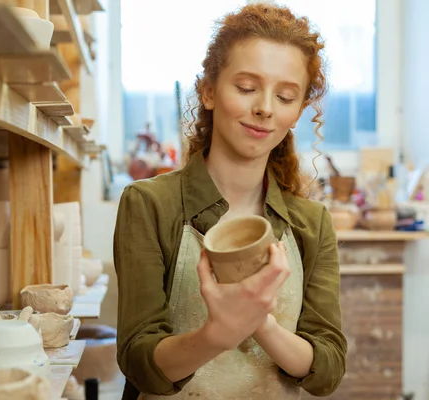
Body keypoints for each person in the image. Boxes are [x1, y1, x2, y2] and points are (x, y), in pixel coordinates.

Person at [113, 3, 347, 400]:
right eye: (246, 87)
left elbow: (327, 370)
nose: (265, 108)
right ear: (208, 91)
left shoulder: (312, 222)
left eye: (286, 96)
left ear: (299, 111)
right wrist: (217, 334)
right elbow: (139, 362)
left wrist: (261, 324)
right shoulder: (150, 204)